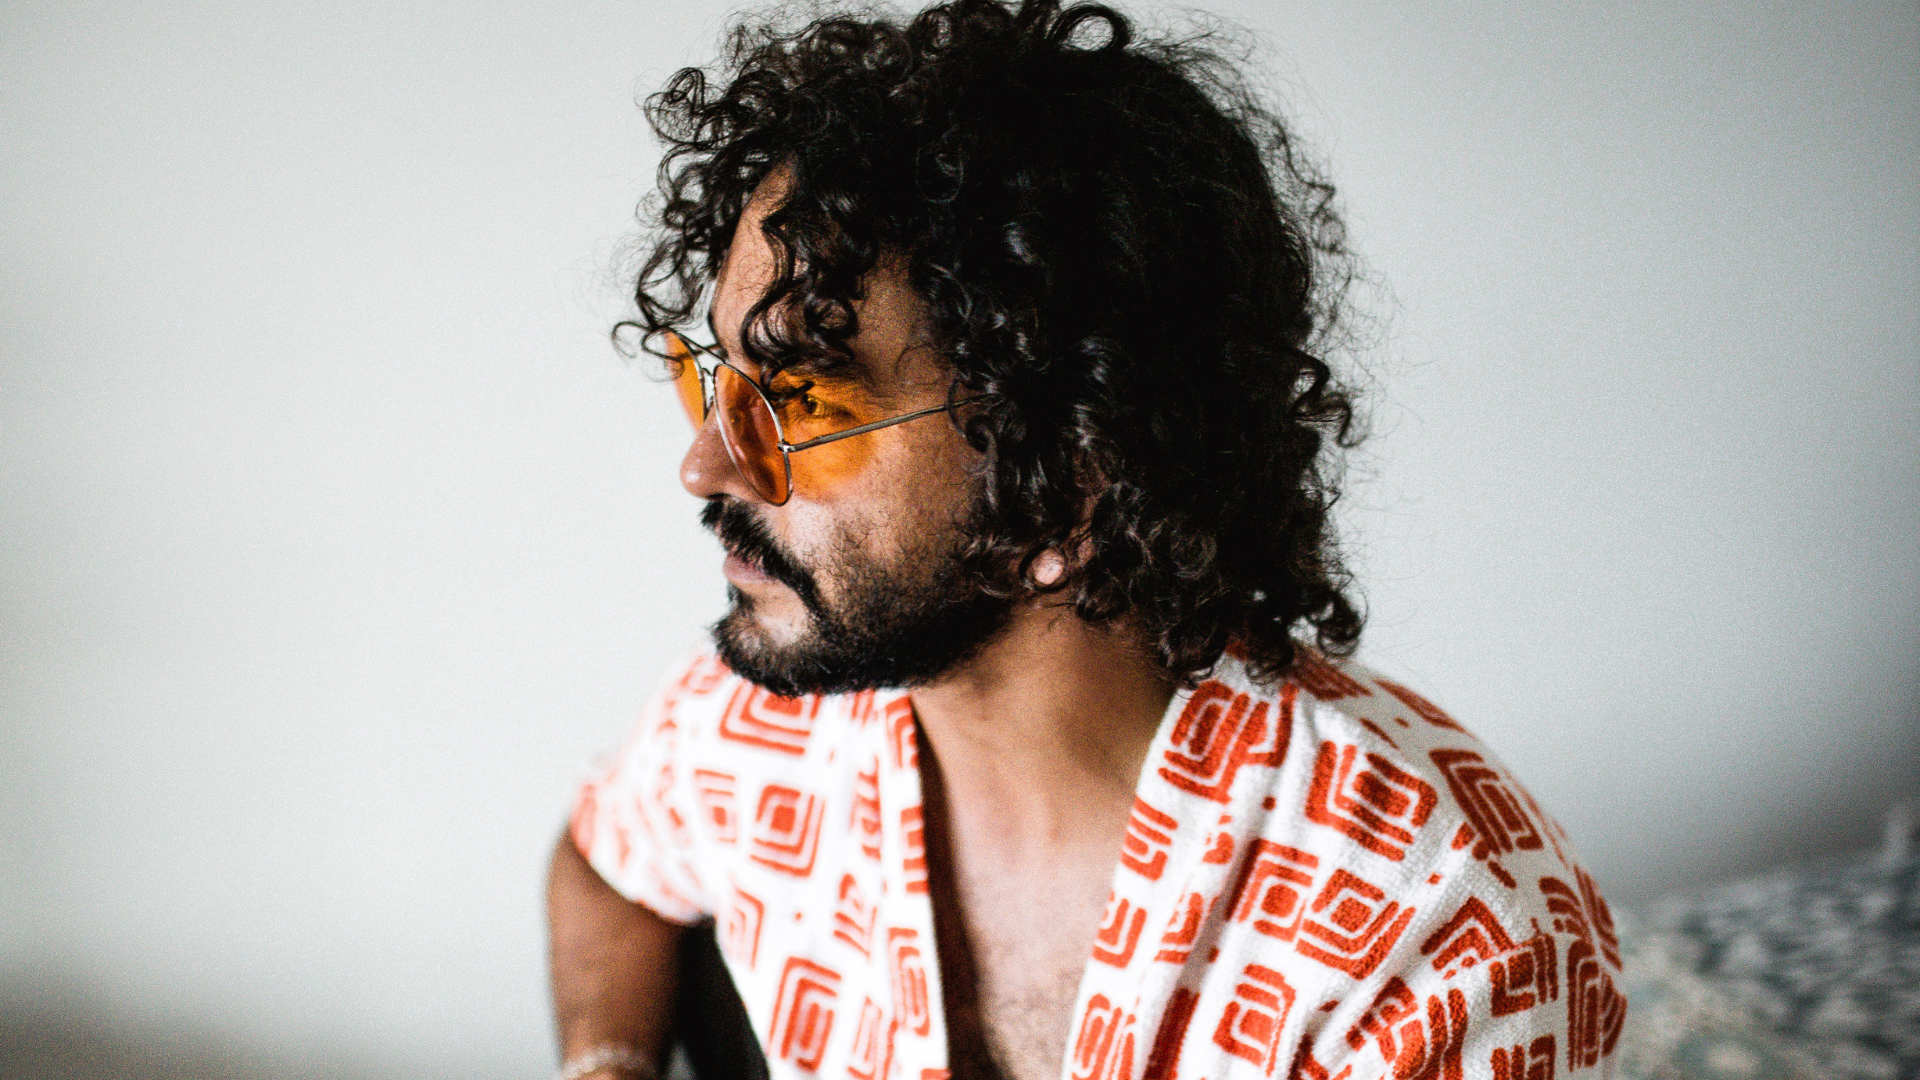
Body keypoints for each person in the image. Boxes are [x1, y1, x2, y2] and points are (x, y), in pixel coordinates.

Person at [547, 1, 1625, 1077]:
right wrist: (607, 1060)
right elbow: (603, 864)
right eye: (717, 383)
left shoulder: (1435, 946)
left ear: (1070, 482)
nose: (704, 465)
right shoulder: (746, 732)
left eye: (806, 406)